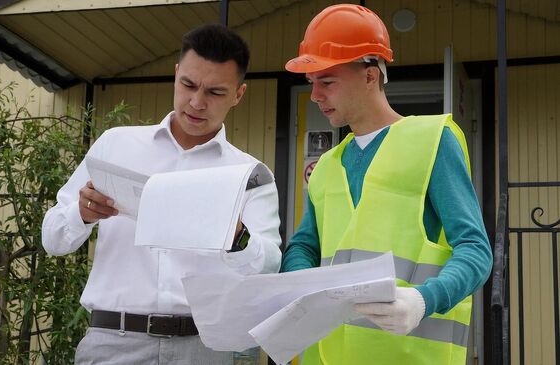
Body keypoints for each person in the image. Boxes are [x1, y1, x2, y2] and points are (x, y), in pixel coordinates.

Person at [42, 24, 282, 364]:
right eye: (188, 85)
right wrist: (80, 213)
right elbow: (53, 239)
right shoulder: (115, 145)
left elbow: (268, 266)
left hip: (204, 348)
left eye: (215, 92)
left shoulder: (250, 175)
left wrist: (238, 237)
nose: (197, 103)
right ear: (175, 76)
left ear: (238, 95)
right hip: (113, 342)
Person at [280, 4, 492, 365]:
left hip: (409, 356)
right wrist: (303, 285)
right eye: (311, 83)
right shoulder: (328, 166)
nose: (315, 95)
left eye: (327, 81)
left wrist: (425, 300)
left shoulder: (432, 141)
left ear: (370, 76)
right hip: (324, 356)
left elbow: (475, 249)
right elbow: (303, 246)